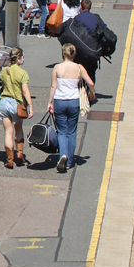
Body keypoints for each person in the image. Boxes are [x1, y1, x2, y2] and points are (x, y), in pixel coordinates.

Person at [48, 44, 95, 172]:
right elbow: (90, 83)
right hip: (74, 101)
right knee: (72, 131)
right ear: (74, 54)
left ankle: (62, 155)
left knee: (62, 131)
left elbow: (53, 86)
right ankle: (68, 161)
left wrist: (50, 102)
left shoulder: (57, 68)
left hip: (59, 101)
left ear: (63, 53)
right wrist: (92, 93)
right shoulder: (79, 68)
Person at [0, 47, 33, 169]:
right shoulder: (23, 73)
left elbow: (2, 85)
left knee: (8, 132)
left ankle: (9, 160)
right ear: (18, 58)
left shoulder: (4, 71)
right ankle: (19, 154)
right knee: (18, 129)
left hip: (4, 103)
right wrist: (31, 106)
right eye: (22, 57)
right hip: (16, 105)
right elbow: (25, 90)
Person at [74, 0, 108, 83]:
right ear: (90, 7)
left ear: (81, 7)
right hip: (93, 49)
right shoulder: (96, 17)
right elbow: (104, 28)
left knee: (79, 70)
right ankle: (91, 90)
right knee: (92, 71)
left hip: (80, 49)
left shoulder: (77, 18)